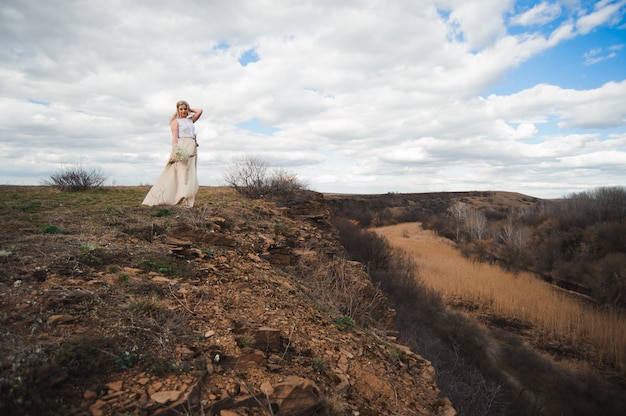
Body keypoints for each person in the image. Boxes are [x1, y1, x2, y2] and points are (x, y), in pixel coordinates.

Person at [142, 100, 203, 207]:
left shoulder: (190, 120)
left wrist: (190, 109)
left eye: (185, 109)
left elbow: (200, 111)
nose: (183, 111)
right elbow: (174, 139)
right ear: (177, 110)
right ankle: (179, 198)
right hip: (182, 147)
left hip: (192, 147)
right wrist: (174, 153)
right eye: (181, 109)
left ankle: (187, 200)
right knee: (182, 172)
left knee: (190, 173)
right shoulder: (176, 122)